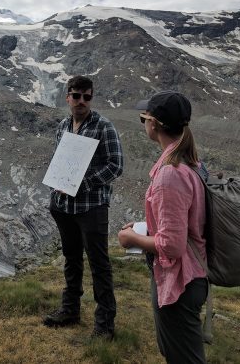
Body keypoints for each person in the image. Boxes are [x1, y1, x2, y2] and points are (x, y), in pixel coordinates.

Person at [117, 90, 208, 363]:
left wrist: (132, 239)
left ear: (154, 124)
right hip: (193, 275)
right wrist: (146, 226)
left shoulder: (170, 173)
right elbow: (186, 221)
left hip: (180, 282)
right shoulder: (191, 163)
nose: (143, 122)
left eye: (144, 118)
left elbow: (172, 245)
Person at [43, 75, 123, 340]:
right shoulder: (63, 126)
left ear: (91, 98)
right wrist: (57, 183)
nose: (81, 101)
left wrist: (82, 183)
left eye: (87, 97)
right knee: (72, 257)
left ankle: (105, 324)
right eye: (76, 96)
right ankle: (70, 310)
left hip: (92, 206)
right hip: (63, 205)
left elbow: (116, 165)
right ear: (68, 97)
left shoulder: (104, 127)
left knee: (99, 263)